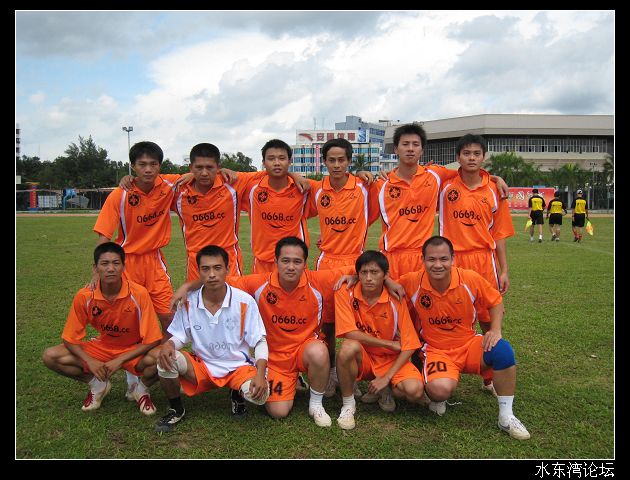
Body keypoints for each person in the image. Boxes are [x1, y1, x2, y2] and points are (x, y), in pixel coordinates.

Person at [172, 237, 356, 427]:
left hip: (304, 350)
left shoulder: (318, 281)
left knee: (318, 350)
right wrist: (187, 286)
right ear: (275, 261)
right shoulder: (259, 283)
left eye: (297, 261)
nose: (291, 267)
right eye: (285, 261)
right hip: (275, 359)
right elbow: (218, 279)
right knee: (278, 412)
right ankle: (290, 382)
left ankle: (316, 404)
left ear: (305, 264)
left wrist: (354, 277)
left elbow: (365, 268)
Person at [398, 236, 530, 440]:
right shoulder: (412, 281)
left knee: (502, 350)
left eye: (443, 259)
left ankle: (506, 416)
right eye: (431, 259)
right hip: (436, 350)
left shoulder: (469, 279)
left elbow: (495, 301)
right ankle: (439, 390)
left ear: (453, 259)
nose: (438, 265)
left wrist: (495, 330)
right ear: (422, 260)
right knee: (439, 390)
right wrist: (356, 277)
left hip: (468, 345)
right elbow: (382, 283)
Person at [149, 245, 269, 432]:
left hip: (238, 367)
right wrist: (169, 344)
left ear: (227, 269)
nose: (212, 274)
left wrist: (260, 375)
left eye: (217, 268)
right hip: (202, 366)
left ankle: (237, 393)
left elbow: (259, 341)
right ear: (199, 272)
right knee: (166, 359)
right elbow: (180, 335)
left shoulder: (244, 301)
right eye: (205, 269)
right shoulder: (189, 302)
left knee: (260, 396)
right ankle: (176, 409)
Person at [94, 141, 181, 398]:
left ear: (160, 166)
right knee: (131, 320)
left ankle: (157, 365)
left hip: (154, 261)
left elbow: (197, 174)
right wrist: (97, 270)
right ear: (132, 166)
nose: (148, 169)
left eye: (153, 164)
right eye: (142, 164)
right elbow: (104, 235)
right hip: (127, 262)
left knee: (170, 317)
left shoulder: (169, 186)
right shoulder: (120, 194)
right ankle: (133, 375)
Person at [367, 124, 509, 279]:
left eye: (415, 144)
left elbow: (469, 172)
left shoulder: (435, 175)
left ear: (422, 150)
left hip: (423, 258)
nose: (410, 149)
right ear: (396, 149)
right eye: (405, 144)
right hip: (392, 258)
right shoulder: (381, 184)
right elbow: (362, 221)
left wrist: (495, 178)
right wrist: (362, 173)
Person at [42, 242, 162, 415]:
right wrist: (90, 361)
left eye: (116, 263)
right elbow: (69, 338)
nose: (110, 269)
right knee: (50, 356)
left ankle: (141, 389)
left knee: (165, 358)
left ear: (123, 267)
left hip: (134, 349)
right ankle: (98, 384)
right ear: (95, 268)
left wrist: (119, 360)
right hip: (103, 348)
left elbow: (153, 339)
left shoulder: (139, 294)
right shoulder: (85, 296)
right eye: (105, 263)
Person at [438, 134, 515, 396]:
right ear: (458, 157)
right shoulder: (445, 185)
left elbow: (499, 234)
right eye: (466, 153)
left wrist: (504, 270)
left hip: (484, 260)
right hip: (453, 261)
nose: (471, 158)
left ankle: (489, 377)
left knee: (487, 318)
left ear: (483, 157)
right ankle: (441, 369)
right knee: (450, 316)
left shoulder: (494, 190)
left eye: (476, 154)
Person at [306, 138, 376, 398]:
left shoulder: (364, 187)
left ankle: (351, 374)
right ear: (324, 162)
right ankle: (331, 372)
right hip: (327, 262)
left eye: (341, 160)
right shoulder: (316, 189)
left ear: (349, 161)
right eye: (331, 160)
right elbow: (288, 183)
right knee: (326, 324)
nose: (336, 165)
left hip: (355, 263)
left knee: (354, 323)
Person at [333, 251, 426, 430]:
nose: (368, 278)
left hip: (389, 359)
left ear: (385, 275)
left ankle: (386, 388)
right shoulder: (345, 291)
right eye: (364, 272)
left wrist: (387, 378)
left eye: (374, 272)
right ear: (357, 274)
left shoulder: (395, 298)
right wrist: (389, 343)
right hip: (365, 357)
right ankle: (348, 404)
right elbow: (349, 333)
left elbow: (410, 343)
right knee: (348, 347)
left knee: (414, 391)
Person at [171, 143, 264, 281]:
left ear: (218, 167)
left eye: (210, 167)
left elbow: (270, 172)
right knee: (197, 296)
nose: (204, 173)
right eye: (198, 167)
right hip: (196, 263)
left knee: (232, 295)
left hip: (228, 260)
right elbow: (149, 178)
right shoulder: (179, 188)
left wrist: (294, 175)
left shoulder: (233, 182)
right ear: (191, 167)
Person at [241, 139, 315, 274]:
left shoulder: (304, 187)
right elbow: (218, 176)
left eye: (282, 158)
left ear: (290, 161)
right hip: (262, 262)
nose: (276, 163)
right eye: (271, 159)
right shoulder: (251, 187)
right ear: (263, 162)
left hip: (293, 262)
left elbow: (333, 188)